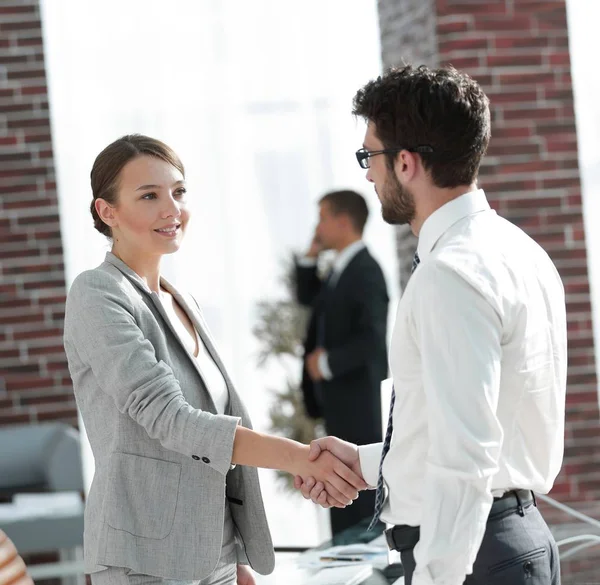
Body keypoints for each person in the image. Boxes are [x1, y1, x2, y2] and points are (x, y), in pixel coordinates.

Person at [296, 65, 565, 585]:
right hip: (504, 540)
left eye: (369, 157)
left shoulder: (450, 274)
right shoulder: (519, 249)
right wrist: (370, 462)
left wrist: (436, 578)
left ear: (405, 162)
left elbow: (467, 454)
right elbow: (478, 430)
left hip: (472, 557)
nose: (368, 175)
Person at [63, 135, 366, 585]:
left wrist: (232, 549)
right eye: (149, 196)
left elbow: (213, 432)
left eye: (178, 192)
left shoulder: (181, 300)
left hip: (212, 552)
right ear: (107, 212)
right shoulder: (97, 295)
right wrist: (301, 458)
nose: (172, 209)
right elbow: (173, 421)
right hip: (144, 558)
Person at [295, 189, 389, 534]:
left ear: (343, 221)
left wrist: (328, 363)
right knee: (340, 490)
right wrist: (311, 253)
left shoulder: (366, 271)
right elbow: (307, 296)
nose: (317, 227)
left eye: (322, 218)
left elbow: (372, 341)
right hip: (340, 405)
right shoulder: (340, 268)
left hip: (359, 406)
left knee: (357, 497)